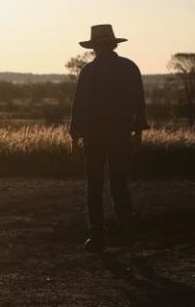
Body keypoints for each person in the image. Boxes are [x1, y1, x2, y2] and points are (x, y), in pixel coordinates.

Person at [70, 24, 147, 252]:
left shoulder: (89, 71)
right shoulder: (130, 68)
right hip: (121, 135)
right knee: (119, 185)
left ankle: (97, 238)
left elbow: (79, 107)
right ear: (113, 44)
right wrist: (138, 134)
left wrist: (74, 140)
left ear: (94, 47)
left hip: (94, 137)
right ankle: (127, 235)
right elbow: (139, 104)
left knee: (94, 186)